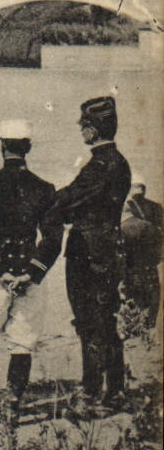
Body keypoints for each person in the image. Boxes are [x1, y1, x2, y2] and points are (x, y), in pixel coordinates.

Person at [0, 119, 62, 427]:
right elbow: (52, 239)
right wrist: (31, 274)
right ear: (28, 148)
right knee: (22, 343)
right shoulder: (45, 189)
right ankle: (12, 407)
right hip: (27, 275)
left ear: (2, 146)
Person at [48, 96, 131, 417]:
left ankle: (92, 392)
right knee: (105, 320)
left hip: (89, 252)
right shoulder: (117, 161)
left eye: (84, 125)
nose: (80, 129)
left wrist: (39, 203)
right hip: (107, 248)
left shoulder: (100, 165)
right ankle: (116, 391)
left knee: (89, 321)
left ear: (94, 130)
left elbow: (68, 199)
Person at [120, 178, 161, 329]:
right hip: (145, 260)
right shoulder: (153, 208)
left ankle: (137, 325)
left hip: (135, 260)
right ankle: (144, 325)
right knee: (146, 290)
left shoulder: (124, 207)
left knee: (134, 290)